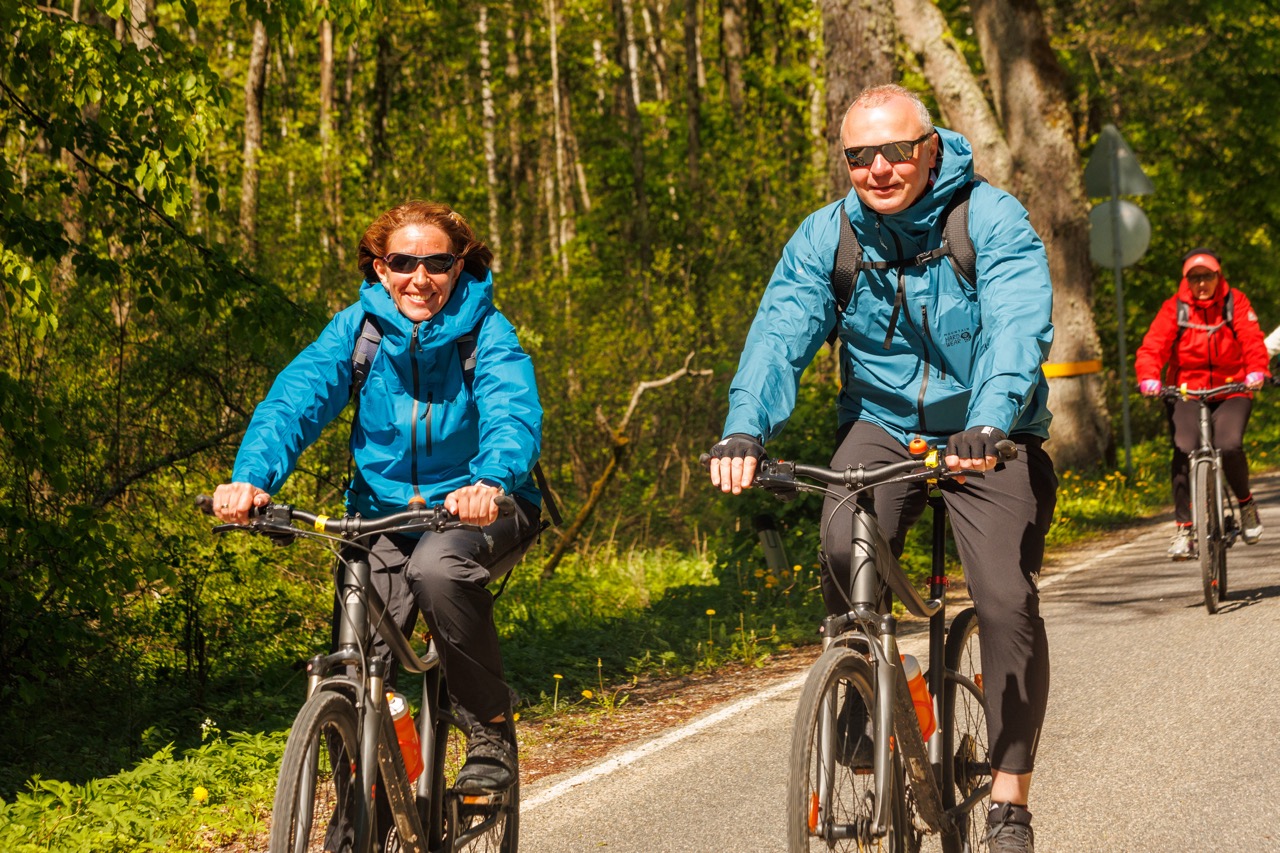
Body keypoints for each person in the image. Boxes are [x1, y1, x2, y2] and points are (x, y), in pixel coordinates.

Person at [706, 84, 1056, 852]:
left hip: (988, 430)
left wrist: (991, 417)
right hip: (885, 426)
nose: (880, 168)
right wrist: (744, 430)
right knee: (841, 539)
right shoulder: (828, 235)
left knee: (1003, 599)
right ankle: (866, 683)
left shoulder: (987, 217)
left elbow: (1017, 320)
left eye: (897, 150)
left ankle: (1008, 798)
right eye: (860, 156)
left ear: (930, 148)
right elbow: (780, 331)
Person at [212, 201, 543, 800]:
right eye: (403, 261)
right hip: (381, 514)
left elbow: (511, 411)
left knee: (438, 570)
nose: (421, 277)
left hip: (480, 506)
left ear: (460, 266)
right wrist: (251, 479)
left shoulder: (486, 331)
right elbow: (295, 403)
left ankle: (488, 727)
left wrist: (491, 480)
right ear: (379, 268)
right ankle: (361, 819)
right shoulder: (356, 332)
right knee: (358, 667)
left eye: (437, 262)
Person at [1135, 248, 1269, 559]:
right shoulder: (1175, 308)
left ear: (1218, 277)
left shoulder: (1235, 303)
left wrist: (1256, 371)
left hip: (1232, 387)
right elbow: (1152, 347)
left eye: (1207, 276)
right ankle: (1185, 529)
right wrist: (1149, 377)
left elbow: (1252, 340)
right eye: (1195, 278)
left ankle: (1246, 504)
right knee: (1184, 447)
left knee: (1229, 444)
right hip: (1186, 391)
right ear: (1186, 281)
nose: (1202, 283)